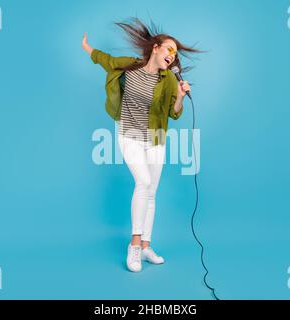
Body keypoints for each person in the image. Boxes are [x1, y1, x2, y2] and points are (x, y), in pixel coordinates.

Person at [82, 18, 202, 272]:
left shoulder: (169, 79)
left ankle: (146, 246)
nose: (173, 55)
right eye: (169, 49)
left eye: (176, 53)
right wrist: (88, 49)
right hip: (129, 135)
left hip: (155, 139)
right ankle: (134, 245)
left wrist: (179, 97)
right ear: (156, 48)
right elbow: (106, 61)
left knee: (152, 192)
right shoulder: (129, 66)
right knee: (143, 183)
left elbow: (175, 113)